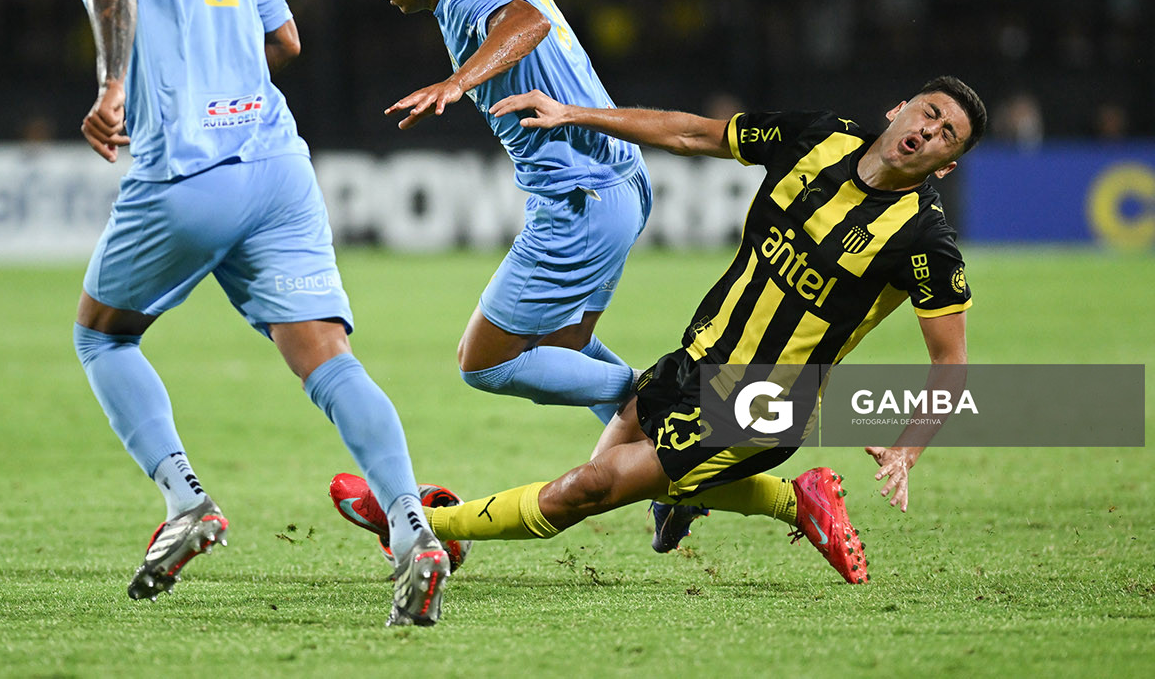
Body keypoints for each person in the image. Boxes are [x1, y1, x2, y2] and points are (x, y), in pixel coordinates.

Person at [328, 77, 987, 585]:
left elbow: (950, 362)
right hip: (695, 358)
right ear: (900, 106)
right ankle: (794, 499)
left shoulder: (922, 240)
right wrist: (577, 113)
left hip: (762, 405)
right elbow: (696, 134)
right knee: (617, 474)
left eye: (947, 136)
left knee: (588, 488)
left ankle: (414, 519)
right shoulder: (819, 138)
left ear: (947, 164)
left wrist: (908, 449)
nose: (929, 132)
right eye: (929, 113)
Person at [55, 0, 448, 626]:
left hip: (186, 171)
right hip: (274, 164)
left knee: (101, 334)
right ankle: (415, 530)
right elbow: (287, 41)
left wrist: (113, 84)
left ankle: (187, 500)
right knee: (327, 358)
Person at [205, 0, 651, 428]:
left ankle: (674, 398)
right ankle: (713, 447)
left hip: (577, 199)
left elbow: (526, 21)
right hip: (618, 178)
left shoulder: (468, 0)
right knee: (564, 351)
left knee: (484, 362)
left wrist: (457, 81)